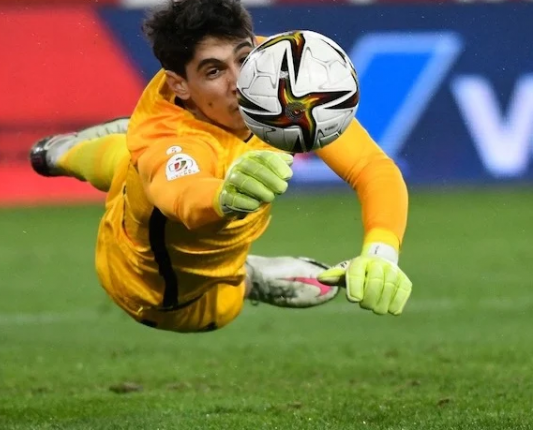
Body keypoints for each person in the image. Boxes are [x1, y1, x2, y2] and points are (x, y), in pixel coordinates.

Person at [29, 0, 412, 333]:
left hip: (151, 174)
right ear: (179, 85)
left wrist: (381, 251)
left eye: (244, 58)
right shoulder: (168, 139)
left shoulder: (273, 72)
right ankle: (248, 278)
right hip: (156, 291)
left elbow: (370, 165)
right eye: (214, 72)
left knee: (125, 160)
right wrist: (224, 194)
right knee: (221, 304)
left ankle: (61, 152)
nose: (240, 83)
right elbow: (181, 195)